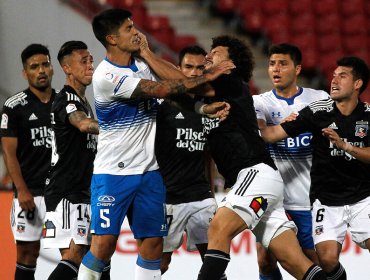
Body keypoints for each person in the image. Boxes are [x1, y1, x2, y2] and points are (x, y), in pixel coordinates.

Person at [78, 9, 234, 280]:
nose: (136, 32)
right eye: (129, 29)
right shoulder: (106, 76)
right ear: (112, 39)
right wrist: (207, 77)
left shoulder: (140, 63)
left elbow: (174, 84)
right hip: (113, 174)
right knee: (103, 246)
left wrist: (199, 107)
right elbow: (165, 89)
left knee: (152, 246)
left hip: (150, 174)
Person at [171, 35, 326, 280]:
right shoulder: (212, 97)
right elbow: (184, 93)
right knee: (294, 261)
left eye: (216, 53)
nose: (209, 56)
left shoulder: (230, 81)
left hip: (255, 174)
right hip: (265, 180)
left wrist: (147, 55)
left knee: (218, 229)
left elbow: (179, 82)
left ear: (231, 63)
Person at [259, 56, 370, 279]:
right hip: (326, 200)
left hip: (363, 197)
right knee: (326, 261)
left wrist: (344, 145)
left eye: (343, 76)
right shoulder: (317, 111)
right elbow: (271, 135)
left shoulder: (368, 114)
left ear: (358, 84)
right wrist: (251, 120)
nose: (334, 80)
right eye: (334, 75)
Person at [252, 43, 329, 280]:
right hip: (273, 199)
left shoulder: (319, 99)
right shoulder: (259, 102)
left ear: (297, 69)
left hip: (307, 199)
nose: (275, 69)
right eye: (272, 64)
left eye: (283, 63)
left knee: (313, 261)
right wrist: (292, 124)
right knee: (265, 261)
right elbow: (262, 132)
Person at [155, 45, 225, 280]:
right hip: (169, 197)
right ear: (178, 69)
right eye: (188, 67)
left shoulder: (210, 108)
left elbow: (208, 154)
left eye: (199, 68)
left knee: (214, 259)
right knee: (161, 263)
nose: (194, 73)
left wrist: (213, 191)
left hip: (201, 195)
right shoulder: (163, 108)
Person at [43, 41, 103, 280]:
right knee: (75, 255)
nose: (90, 66)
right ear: (67, 68)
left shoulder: (83, 101)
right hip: (66, 192)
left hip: (82, 191)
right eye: (83, 61)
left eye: (91, 60)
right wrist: (118, 128)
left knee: (93, 256)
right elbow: (83, 124)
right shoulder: (66, 100)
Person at [0, 44, 56, 280]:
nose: (41, 70)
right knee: (27, 254)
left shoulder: (66, 101)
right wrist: (21, 190)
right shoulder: (14, 107)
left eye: (45, 64)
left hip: (61, 192)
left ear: (52, 68)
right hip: (30, 192)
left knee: (72, 251)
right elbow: (8, 152)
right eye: (34, 67)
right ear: (25, 73)